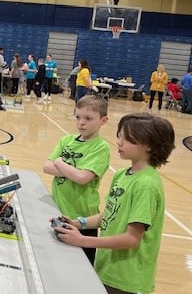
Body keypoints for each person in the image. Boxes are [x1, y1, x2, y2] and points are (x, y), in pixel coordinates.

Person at [54, 113, 175, 294]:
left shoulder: (146, 185)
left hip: (126, 281)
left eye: (128, 140)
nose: (119, 142)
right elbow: (111, 214)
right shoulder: (122, 174)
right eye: (120, 136)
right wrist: (78, 223)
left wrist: (83, 240)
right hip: (106, 270)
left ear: (149, 146)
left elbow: (132, 239)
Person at [44, 95, 110, 264]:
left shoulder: (100, 147)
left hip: (82, 220)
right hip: (58, 212)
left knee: (81, 266)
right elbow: (46, 167)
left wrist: (59, 162)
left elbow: (82, 178)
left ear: (103, 120)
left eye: (88, 118)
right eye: (78, 117)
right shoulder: (66, 140)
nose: (81, 122)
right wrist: (72, 171)